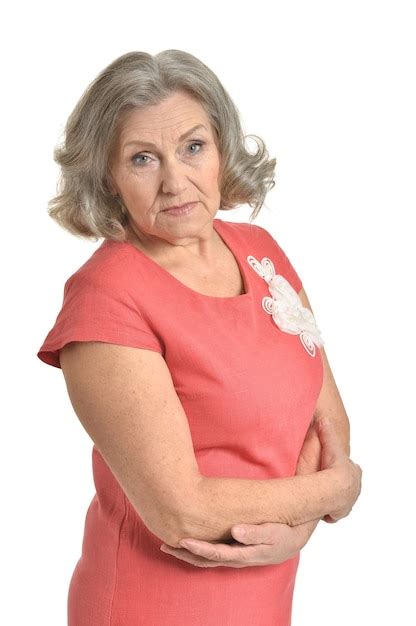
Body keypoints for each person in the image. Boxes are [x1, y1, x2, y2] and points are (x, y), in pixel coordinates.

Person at [37, 49, 362, 626]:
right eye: (142, 158)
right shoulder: (106, 297)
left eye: (193, 147)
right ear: (107, 178)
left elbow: (322, 419)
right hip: (151, 603)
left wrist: (297, 534)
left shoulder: (261, 252)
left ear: (221, 146)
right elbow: (180, 512)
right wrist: (336, 492)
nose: (175, 180)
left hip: (263, 598)